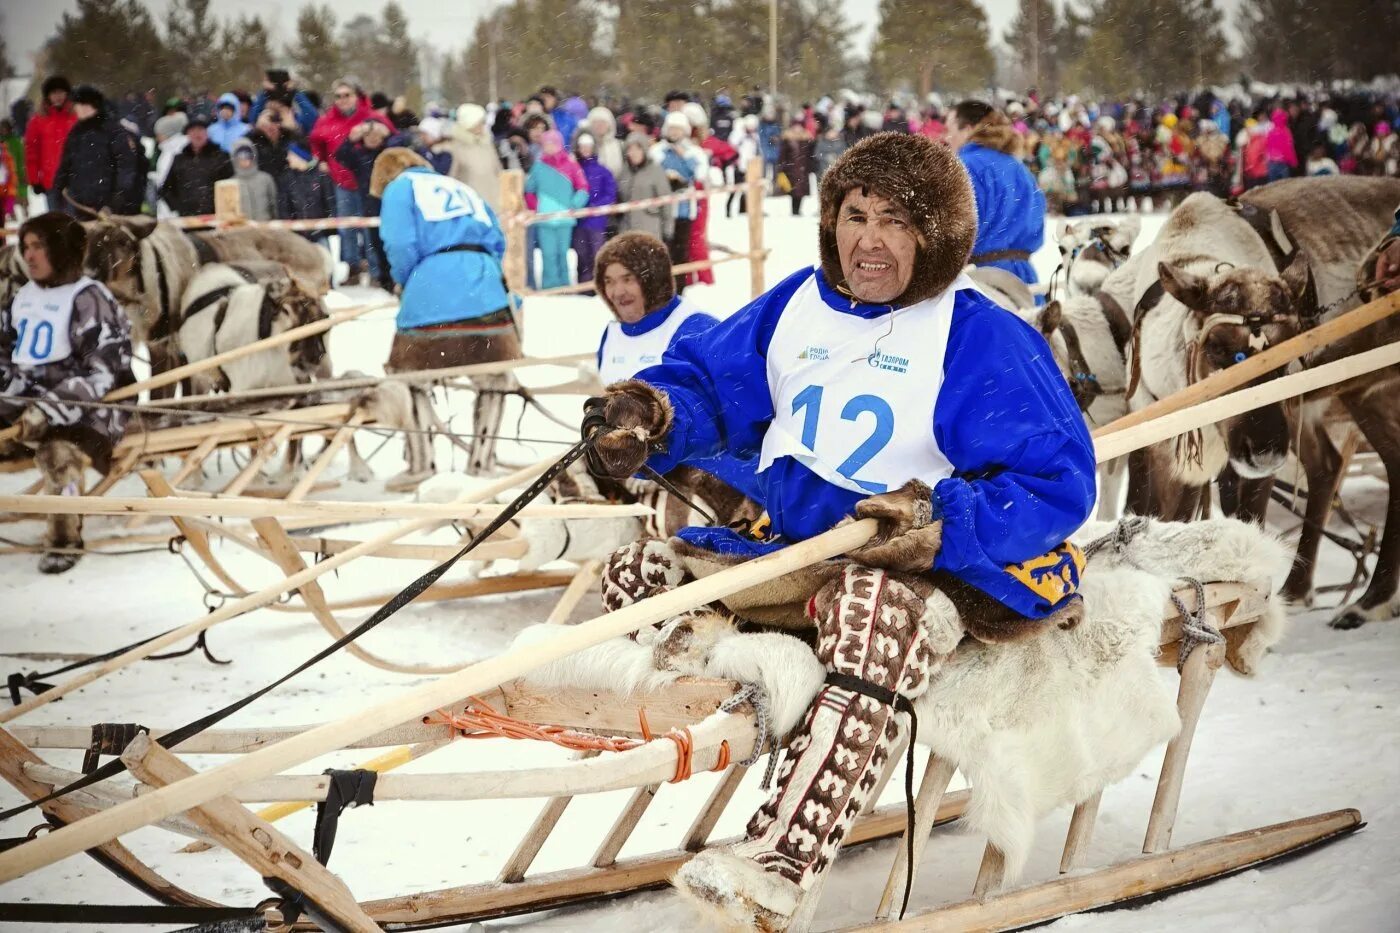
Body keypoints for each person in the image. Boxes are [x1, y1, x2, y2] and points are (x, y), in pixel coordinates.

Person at [584, 133, 1093, 930]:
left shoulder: (979, 336)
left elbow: (1054, 482)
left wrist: (937, 522)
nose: (869, 239)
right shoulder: (797, 304)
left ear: (937, 235)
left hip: (936, 566)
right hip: (798, 551)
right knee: (637, 573)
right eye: (854, 216)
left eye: (895, 220)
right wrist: (649, 413)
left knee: (868, 603)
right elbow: (712, 380)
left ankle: (783, 861)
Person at [0, 213, 134, 573]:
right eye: (25, 246)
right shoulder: (22, 297)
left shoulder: (90, 299)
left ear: (61, 250)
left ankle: (65, 538)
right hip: (27, 404)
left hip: (90, 409)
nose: (29, 256)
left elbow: (103, 374)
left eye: (39, 246)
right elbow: (4, 353)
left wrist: (48, 409)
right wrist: (11, 396)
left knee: (58, 455)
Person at [373, 147, 519, 476]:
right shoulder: (460, 187)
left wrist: (408, 282)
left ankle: (421, 464)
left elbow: (398, 243)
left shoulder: (400, 187)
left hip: (431, 291)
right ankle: (482, 460)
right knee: (495, 374)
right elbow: (497, 239)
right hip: (486, 289)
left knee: (409, 373)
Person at [945, 99, 1046, 289]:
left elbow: (951, 231)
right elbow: (1037, 220)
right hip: (1025, 282)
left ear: (967, 129)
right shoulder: (1020, 168)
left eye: (949, 128)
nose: (946, 137)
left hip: (980, 284)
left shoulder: (963, 167)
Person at [309, 77, 392, 285]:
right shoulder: (327, 120)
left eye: (347, 95)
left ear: (356, 96)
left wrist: (378, 131)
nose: (343, 100)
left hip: (370, 182)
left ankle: (375, 271)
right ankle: (352, 267)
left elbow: (393, 136)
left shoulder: (370, 116)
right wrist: (321, 160)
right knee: (346, 227)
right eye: (338, 96)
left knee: (370, 227)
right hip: (342, 180)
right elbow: (315, 141)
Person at [51, 86, 143, 216]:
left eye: (82, 105)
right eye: (77, 105)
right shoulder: (76, 133)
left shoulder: (113, 131)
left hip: (110, 206)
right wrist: (58, 190)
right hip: (80, 204)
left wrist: (117, 199)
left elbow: (126, 167)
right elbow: (65, 165)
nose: (78, 109)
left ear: (92, 106)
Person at [524, 129, 589, 290]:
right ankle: (549, 286)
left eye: (552, 143)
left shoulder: (571, 164)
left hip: (565, 219)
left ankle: (565, 285)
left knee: (563, 253)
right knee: (548, 255)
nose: (549, 147)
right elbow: (529, 190)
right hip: (544, 219)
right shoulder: (538, 167)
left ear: (559, 144)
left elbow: (583, 187)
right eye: (546, 144)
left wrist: (575, 204)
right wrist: (536, 207)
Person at [651, 111, 706, 292]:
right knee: (663, 249)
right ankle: (663, 287)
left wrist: (685, 156)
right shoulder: (658, 151)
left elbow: (701, 175)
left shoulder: (694, 151)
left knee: (681, 250)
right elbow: (653, 171)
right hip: (663, 209)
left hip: (684, 208)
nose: (674, 133)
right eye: (672, 128)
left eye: (678, 129)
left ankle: (680, 287)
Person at [159, 114, 233, 216]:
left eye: (200, 130)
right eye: (193, 130)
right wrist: (179, 207)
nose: (197, 134)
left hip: (215, 217)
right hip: (187, 218)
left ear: (207, 133)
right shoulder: (180, 159)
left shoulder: (220, 157)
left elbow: (230, 186)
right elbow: (166, 189)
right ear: (188, 134)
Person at [23, 76, 77, 212]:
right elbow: (31, 152)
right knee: (55, 223)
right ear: (48, 96)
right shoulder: (37, 121)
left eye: (61, 92)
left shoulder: (76, 117)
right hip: (51, 181)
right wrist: (34, 179)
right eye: (54, 93)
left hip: (75, 181)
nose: (58, 97)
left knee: (74, 223)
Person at [573, 132, 617, 288]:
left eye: (588, 147)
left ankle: (598, 287)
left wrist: (595, 207)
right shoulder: (575, 169)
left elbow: (610, 195)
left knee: (597, 255)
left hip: (597, 222)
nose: (585, 150)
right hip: (579, 221)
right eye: (582, 147)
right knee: (581, 255)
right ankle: (584, 288)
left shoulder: (603, 171)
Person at [441, 104, 503, 212]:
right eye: (480, 122)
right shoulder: (453, 148)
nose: (483, 126)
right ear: (469, 124)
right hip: (470, 207)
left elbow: (498, 171)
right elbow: (449, 180)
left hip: (495, 205)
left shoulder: (487, 144)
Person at [617, 132, 673, 242]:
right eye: (630, 149)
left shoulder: (656, 171)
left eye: (638, 149)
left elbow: (666, 202)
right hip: (627, 230)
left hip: (649, 229)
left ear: (644, 150)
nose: (634, 153)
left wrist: (668, 229)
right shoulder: (624, 172)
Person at [230, 138, 278, 221]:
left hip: (266, 229)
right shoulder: (231, 183)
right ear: (234, 159)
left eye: (248, 155)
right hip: (241, 231)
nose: (245, 160)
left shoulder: (266, 179)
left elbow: (274, 206)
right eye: (240, 156)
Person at [777, 117, 815, 215]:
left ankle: (797, 210)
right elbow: (783, 155)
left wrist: (811, 166)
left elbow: (810, 155)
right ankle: (794, 210)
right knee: (793, 191)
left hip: (803, 168)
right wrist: (782, 167)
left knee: (801, 191)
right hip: (791, 169)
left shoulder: (806, 138)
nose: (797, 128)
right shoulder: (787, 138)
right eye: (796, 125)